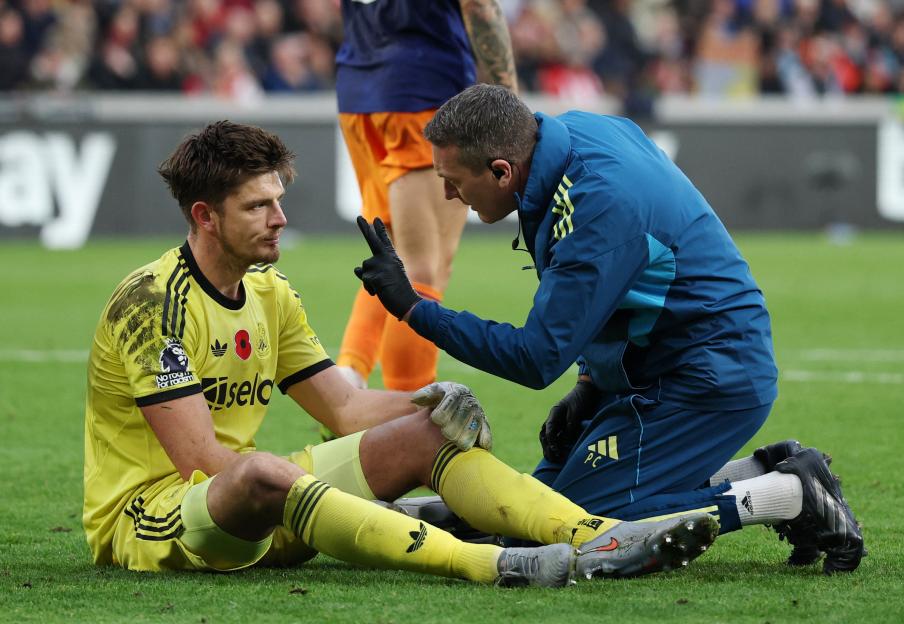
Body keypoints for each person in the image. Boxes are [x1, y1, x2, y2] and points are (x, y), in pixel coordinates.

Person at [82, 120, 719, 586]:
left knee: (425, 434)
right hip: (159, 517)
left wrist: (433, 402)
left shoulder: (269, 293)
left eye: (279, 199)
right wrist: (317, 492)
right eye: (258, 206)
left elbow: (345, 408)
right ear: (205, 216)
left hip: (263, 504)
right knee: (259, 472)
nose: (279, 217)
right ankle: (493, 562)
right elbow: (204, 463)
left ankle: (597, 537)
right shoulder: (150, 306)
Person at [354, 85, 865, 574]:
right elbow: (616, 291)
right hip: (669, 364)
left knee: (573, 525)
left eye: (453, 179)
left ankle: (792, 494)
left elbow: (535, 358)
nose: (446, 193)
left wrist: (414, 308)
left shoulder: (598, 207)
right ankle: (761, 472)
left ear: (502, 170)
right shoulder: (573, 137)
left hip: (708, 379)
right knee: (538, 506)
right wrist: (588, 386)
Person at [333, 0, 518, 393]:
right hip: (426, 90)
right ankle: (406, 409)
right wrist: (509, 108)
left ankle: (349, 379)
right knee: (424, 268)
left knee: (394, 252)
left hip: (358, 89)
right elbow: (481, 8)